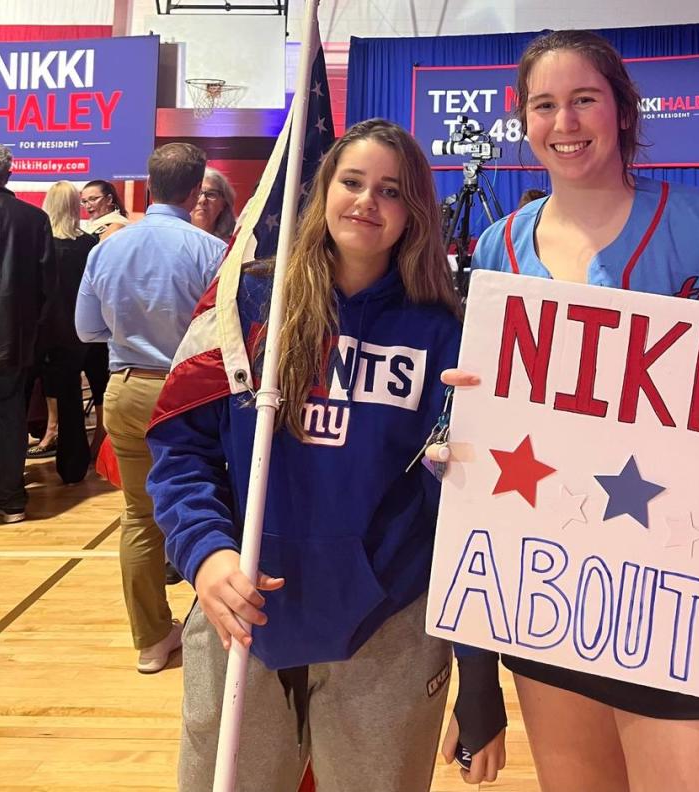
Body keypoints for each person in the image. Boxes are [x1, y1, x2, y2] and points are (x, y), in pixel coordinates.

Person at [444, 30, 699, 792]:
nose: (564, 122)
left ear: (624, 111)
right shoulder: (502, 247)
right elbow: (488, 423)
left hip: (697, 587)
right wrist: (457, 431)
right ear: (523, 120)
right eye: (545, 105)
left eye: (583, 100)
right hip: (556, 589)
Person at [144, 119, 505, 791]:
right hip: (242, 609)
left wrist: (479, 674)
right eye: (353, 182)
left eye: (391, 190)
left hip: (387, 622)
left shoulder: (447, 332)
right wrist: (206, 551)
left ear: (414, 212)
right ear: (323, 190)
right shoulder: (246, 303)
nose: (368, 201)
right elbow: (180, 448)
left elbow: (468, 505)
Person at [75, 143, 227, 673]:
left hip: (127, 387)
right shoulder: (211, 251)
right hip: (192, 394)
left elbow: (86, 330)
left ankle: (150, 639)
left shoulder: (105, 248)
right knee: (211, 506)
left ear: (149, 183)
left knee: (139, 516)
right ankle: (211, 626)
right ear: (194, 191)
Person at [0, 144, 55, 523]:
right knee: (10, 419)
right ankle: (11, 499)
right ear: (9, 173)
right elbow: (48, 288)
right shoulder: (33, 220)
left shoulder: (34, 221)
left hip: (15, 337)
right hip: (13, 340)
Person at [33, 182, 98, 482]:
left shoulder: (40, 244)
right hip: (78, 332)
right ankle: (72, 467)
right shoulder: (89, 244)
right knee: (71, 397)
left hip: (42, 330)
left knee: (25, 397)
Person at [190, 167, 237, 242]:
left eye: (211, 194)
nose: (202, 200)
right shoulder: (174, 236)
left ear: (223, 204)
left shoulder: (233, 245)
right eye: (198, 193)